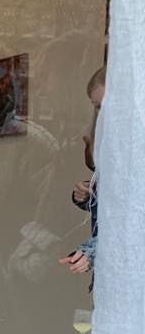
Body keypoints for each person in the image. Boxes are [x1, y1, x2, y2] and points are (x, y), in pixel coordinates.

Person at [58, 66, 105, 277]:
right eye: (96, 107)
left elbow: (131, 216)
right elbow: (114, 202)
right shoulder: (102, 141)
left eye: (102, 105)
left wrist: (92, 250)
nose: (100, 113)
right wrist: (87, 194)